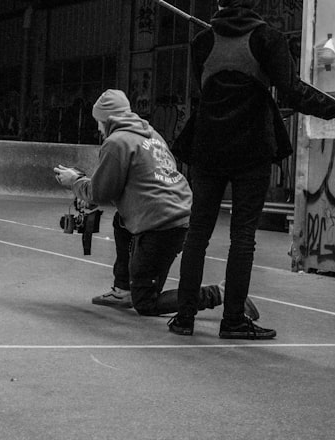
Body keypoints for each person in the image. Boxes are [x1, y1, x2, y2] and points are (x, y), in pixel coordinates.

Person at [169, 0, 335, 339]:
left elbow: (203, 89)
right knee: (242, 237)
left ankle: (185, 317)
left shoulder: (202, 42)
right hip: (250, 148)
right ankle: (233, 320)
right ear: (256, 0)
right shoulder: (268, 38)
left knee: (198, 234)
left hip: (207, 146)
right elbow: (293, 91)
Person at [54, 89, 257, 320]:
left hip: (160, 225)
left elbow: (100, 193)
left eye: (99, 122)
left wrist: (75, 182)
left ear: (108, 120)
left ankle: (220, 293)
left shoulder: (116, 142)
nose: (98, 128)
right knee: (122, 222)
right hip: (180, 213)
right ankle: (123, 289)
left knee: (146, 303)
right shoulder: (153, 135)